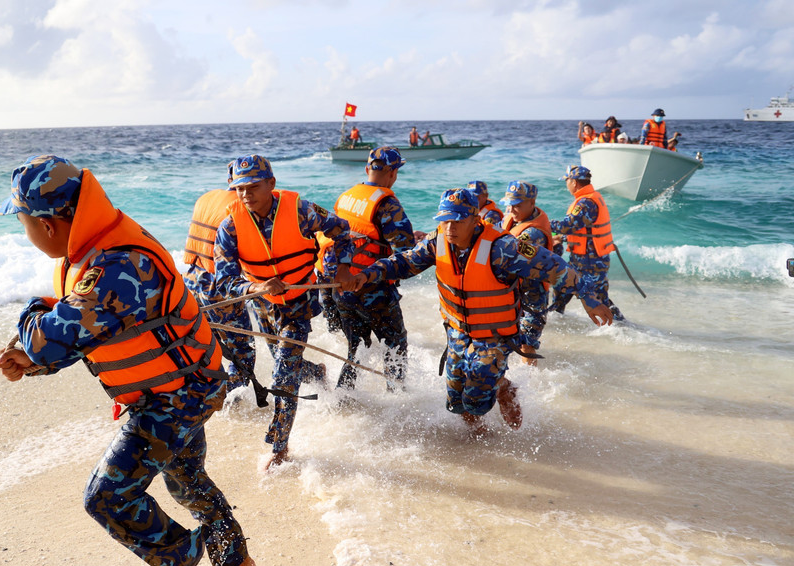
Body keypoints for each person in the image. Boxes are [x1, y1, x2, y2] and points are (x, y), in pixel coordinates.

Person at [0, 155, 256, 566]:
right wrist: (34, 359)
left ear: (49, 224)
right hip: (178, 387)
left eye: (25, 222)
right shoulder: (94, 253)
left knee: (108, 497)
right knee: (185, 478)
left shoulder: (118, 263)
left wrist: (33, 337)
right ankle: (234, 559)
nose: (26, 232)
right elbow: (80, 334)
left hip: (176, 397)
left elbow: (53, 335)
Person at [349, 188, 613, 436]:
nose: (449, 228)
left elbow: (553, 266)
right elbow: (404, 262)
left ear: (475, 219)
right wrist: (367, 275)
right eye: (445, 221)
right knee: (455, 403)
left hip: (494, 336)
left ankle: (503, 392)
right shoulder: (437, 241)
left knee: (475, 399)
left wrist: (588, 297)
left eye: (457, 221)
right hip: (458, 333)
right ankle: (480, 432)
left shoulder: (504, 247)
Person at [213, 154, 355, 470]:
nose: (246, 194)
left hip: (298, 303)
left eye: (253, 186)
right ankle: (316, 373)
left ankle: (280, 450)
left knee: (282, 374)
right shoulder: (229, 225)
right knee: (286, 362)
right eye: (240, 189)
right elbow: (224, 278)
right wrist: (255, 288)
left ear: (271, 184)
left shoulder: (302, 211)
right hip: (263, 304)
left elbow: (342, 230)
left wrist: (343, 268)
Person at [327, 146, 415, 390]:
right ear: (393, 172)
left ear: (367, 169)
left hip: (342, 286)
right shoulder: (387, 203)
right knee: (395, 344)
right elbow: (406, 250)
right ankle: (397, 398)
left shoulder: (347, 196)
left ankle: (343, 401)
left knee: (355, 349)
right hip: (372, 288)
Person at [182, 164, 256, 392]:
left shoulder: (206, 198)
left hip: (190, 282)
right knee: (243, 351)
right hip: (218, 286)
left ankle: (206, 394)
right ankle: (230, 403)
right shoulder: (238, 209)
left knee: (206, 346)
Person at [549, 165, 624, 320]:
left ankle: (620, 327)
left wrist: (543, 223)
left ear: (574, 182)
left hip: (591, 261)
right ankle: (553, 319)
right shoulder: (590, 198)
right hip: (583, 258)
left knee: (598, 297)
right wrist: (561, 238)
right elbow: (583, 230)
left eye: (567, 180)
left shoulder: (585, 203)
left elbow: (569, 225)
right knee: (563, 288)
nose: (566, 184)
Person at [498, 181, 554, 366]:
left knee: (527, 344)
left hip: (532, 295)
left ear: (532, 202)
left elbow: (507, 252)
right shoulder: (514, 219)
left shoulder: (533, 233)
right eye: (509, 204)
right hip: (513, 292)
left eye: (517, 205)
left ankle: (528, 383)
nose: (512, 209)